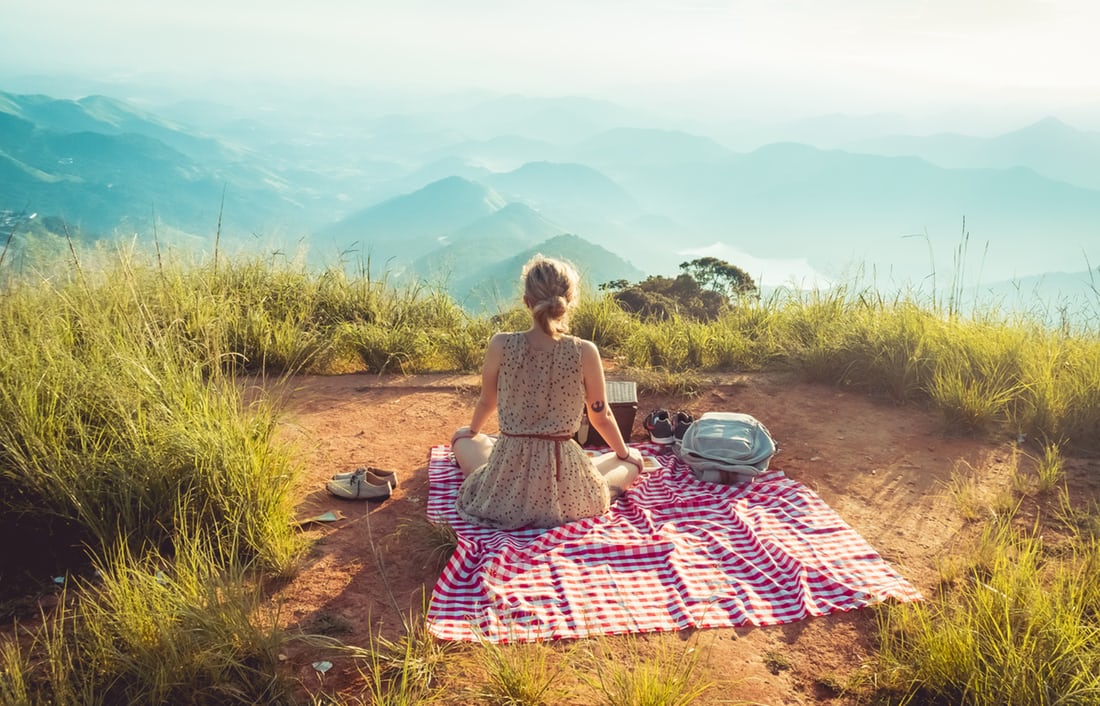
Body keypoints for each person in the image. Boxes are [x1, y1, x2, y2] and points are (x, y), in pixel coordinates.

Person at [450, 255, 645, 530]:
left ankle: (484, 455)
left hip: (508, 477)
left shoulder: (500, 344)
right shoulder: (585, 351)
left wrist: (471, 430)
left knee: (464, 440)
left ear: (526, 301)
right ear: (569, 301)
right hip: (564, 481)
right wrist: (625, 453)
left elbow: (487, 401)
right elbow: (601, 417)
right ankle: (619, 465)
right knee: (628, 461)